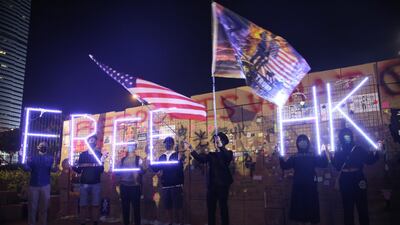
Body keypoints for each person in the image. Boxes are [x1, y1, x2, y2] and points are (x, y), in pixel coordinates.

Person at [332, 128, 379, 225]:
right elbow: (370, 160)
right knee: (358, 208)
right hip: (356, 178)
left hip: (349, 179)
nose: (346, 138)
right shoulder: (357, 149)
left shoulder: (344, 150)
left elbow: (336, 166)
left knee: (352, 208)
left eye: (348, 136)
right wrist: (377, 153)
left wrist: (377, 152)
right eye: (345, 136)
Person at [279, 134, 328, 224]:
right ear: (297, 143)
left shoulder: (297, 157)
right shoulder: (306, 156)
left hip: (304, 186)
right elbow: (285, 166)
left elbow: (324, 164)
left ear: (307, 142)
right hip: (305, 186)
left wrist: (324, 152)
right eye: (300, 141)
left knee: (302, 209)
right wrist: (280, 157)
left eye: (304, 140)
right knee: (306, 208)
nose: (302, 142)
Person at [189, 132, 233, 225]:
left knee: (223, 208)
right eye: (215, 141)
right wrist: (191, 150)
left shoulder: (228, 153)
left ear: (224, 142)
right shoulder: (211, 155)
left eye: (219, 141)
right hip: (212, 186)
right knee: (211, 209)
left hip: (223, 185)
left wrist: (221, 147)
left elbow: (227, 158)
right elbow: (201, 159)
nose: (216, 142)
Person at [22, 141, 58, 225]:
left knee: (44, 207)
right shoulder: (32, 157)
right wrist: (23, 161)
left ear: (47, 147)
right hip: (33, 185)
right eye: (42, 145)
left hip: (45, 185)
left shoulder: (50, 158)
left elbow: (54, 170)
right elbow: (27, 168)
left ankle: (43, 223)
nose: (43, 147)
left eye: (45, 145)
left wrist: (56, 163)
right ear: (38, 147)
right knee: (32, 207)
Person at [151, 137, 185, 225]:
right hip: (165, 185)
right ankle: (170, 222)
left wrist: (182, 183)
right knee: (167, 205)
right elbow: (156, 169)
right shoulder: (162, 156)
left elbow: (181, 168)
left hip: (176, 185)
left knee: (178, 205)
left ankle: (179, 222)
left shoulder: (177, 155)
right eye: (166, 143)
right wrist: (151, 162)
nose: (167, 144)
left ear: (173, 144)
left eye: (169, 143)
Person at [72, 135, 104, 225]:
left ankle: (95, 221)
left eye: (93, 141)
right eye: (90, 140)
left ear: (96, 142)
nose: (92, 142)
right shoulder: (82, 155)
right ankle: (83, 221)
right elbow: (79, 170)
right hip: (84, 183)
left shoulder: (99, 154)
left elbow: (101, 170)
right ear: (88, 142)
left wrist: (101, 163)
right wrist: (73, 166)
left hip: (96, 183)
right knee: (83, 204)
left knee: (96, 204)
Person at [116, 142, 146, 225]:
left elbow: (143, 171)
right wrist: (117, 165)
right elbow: (118, 172)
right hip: (124, 186)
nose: (130, 147)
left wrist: (142, 166)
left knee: (136, 208)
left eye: (132, 145)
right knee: (125, 208)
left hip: (135, 186)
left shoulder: (138, 159)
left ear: (135, 147)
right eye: (129, 145)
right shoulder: (122, 159)